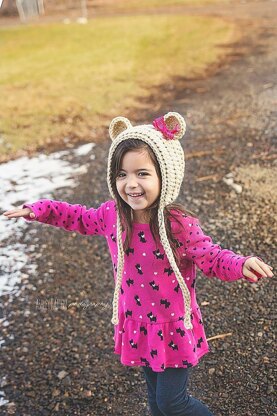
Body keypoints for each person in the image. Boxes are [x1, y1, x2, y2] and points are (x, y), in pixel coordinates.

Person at [3, 112, 274, 416]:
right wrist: (38, 209)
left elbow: (211, 256)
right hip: (139, 325)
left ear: (165, 176)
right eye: (122, 174)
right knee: (155, 401)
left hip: (173, 327)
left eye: (142, 173)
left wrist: (241, 264)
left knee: (173, 402)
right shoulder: (112, 217)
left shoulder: (178, 225)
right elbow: (76, 216)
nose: (130, 184)